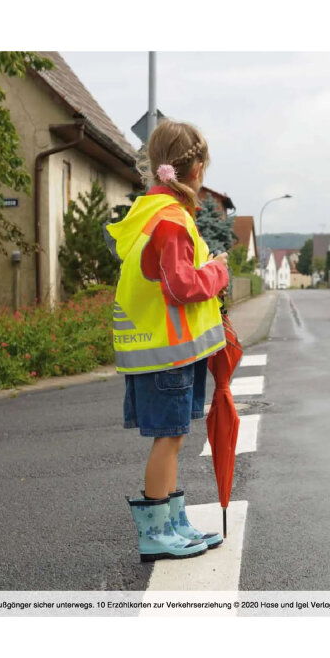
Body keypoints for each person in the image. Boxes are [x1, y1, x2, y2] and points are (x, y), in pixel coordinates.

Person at [104, 120, 230, 562]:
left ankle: (174, 523)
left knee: (173, 437)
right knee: (169, 439)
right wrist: (218, 270)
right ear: (194, 169)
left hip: (162, 351)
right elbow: (180, 286)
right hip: (167, 355)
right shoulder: (171, 221)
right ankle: (156, 533)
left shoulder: (150, 213)